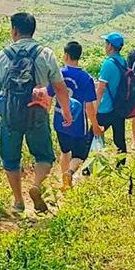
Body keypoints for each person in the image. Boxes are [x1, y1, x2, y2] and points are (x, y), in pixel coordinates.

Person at [0, 12, 72, 215]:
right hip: (37, 112)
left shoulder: (3, 56)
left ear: (14, 30)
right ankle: (36, 185)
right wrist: (66, 112)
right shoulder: (45, 54)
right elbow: (60, 88)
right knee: (44, 156)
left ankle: (18, 201)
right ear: (33, 30)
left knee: (10, 159)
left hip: (10, 114)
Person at [50, 40, 99, 189]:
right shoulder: (86, 78)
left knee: (65, 151)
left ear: (65, 55)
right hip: (78, 123)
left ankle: (65, 182)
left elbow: (48, 96)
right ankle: (70, 172)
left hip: (59, 120)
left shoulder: (58, 74)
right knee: (79, 155)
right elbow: (89, 106)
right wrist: (95, 125)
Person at [94, 31, 130, 156]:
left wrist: (95, 109)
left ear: (110, 45)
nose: (105, 46)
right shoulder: (123, 61)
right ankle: (121, 165)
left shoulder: (108, 63)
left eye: (106, 43)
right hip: (119, 106)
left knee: (92, 136)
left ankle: (91, 165)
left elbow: (101, 89)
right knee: (119, 140)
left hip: (106, 108)